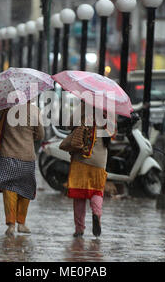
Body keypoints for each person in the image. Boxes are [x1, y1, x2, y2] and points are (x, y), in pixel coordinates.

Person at [0, 101, 44, 236]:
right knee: (25, 190)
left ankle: (11, 224)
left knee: (9, 190)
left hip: (7, 156)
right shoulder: (34, 111)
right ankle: (21, 223)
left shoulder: (4, 110)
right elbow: (40, 135)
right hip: (27, 157)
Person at [67, 101, 110, 238]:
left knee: (79, 194)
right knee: (97, 191)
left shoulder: (85, 106)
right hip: (100, 159)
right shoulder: (108, 108)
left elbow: (69, 124)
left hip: (81, 157)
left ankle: (79, 229)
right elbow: (113, 133)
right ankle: (96, 213)